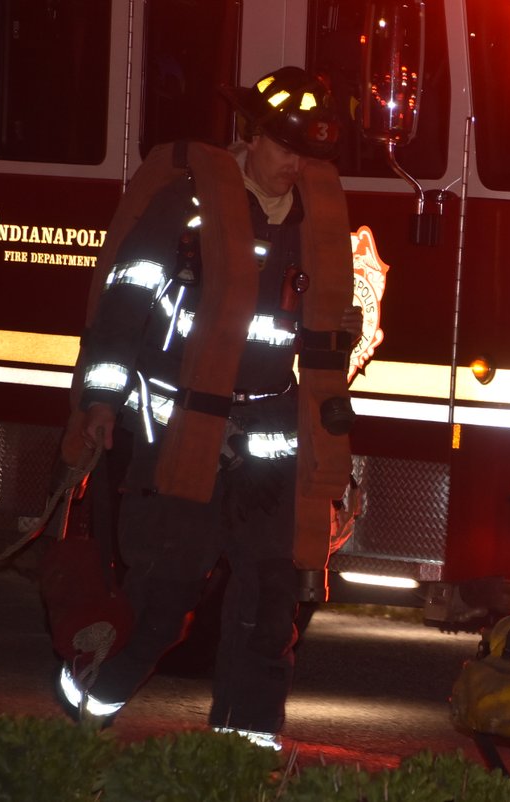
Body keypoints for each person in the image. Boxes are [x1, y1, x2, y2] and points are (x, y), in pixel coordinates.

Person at [55, 66, 358, 751]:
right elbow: (124, 306)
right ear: (248, 137)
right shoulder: (187, 207)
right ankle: (86, 709)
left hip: (272, 438)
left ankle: (244, 755)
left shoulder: (315, 221)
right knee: (163, 600)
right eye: (284, 148)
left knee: (268, 606)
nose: (295, 166)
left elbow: (329, 338)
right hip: (183, 434)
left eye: (306, 153)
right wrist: (102, 400)